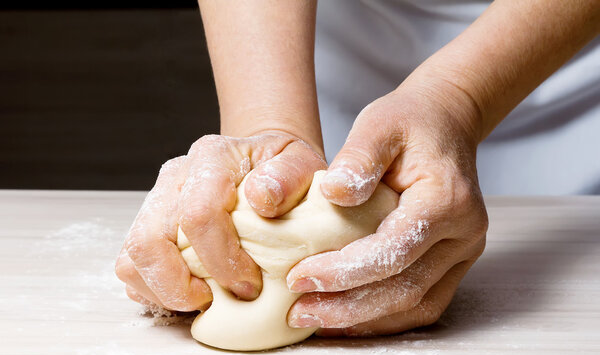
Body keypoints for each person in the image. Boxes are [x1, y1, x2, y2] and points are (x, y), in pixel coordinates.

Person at [115, 0, 600, 337]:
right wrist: (268, 121)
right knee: (312, 205)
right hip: (305, 36)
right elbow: (273, 152)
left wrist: (459, 96)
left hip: (570, 73)